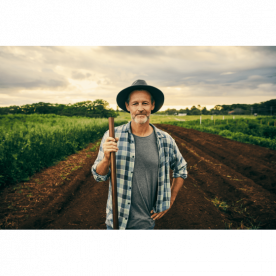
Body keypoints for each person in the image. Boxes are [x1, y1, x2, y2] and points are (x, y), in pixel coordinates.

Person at [91, 80, 188, 230]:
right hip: (116, 222)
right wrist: (105, 159)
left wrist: (170, 199)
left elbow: (181, 169)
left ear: (152, 106)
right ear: (128, 106)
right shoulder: (112, 135)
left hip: (146, 224)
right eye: (135, 104)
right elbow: (99, 176)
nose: (140, 108)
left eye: (145, 103)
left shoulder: (165, 140)